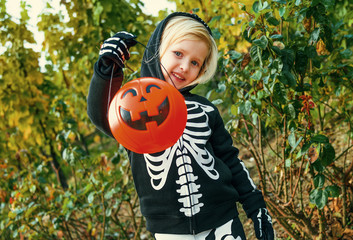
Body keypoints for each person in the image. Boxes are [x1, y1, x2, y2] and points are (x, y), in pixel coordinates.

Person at [87, 12, 274, 240]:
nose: (185, 66)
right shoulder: (134, 110)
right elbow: (101, 115)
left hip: (224, 221)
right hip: (169, 231)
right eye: (178, 53)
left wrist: (256, 206)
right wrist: (108, 69)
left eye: (195, 62)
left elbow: (230, 159)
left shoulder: (205, 109)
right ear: (158, 50)